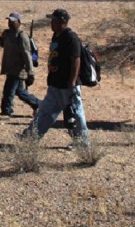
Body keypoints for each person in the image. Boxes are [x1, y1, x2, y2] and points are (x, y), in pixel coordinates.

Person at [22, 8, 89, 145]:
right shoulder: (56, 36)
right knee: (45, 111)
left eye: (54, 20)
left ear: (62, 21)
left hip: (67, 84)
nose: (51, 23)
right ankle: (31, 137)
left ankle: (82, 143)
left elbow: (76, 59)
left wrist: (72, 82)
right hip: (55, 83)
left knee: (75, 113)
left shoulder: (71, 37)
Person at [0, 12, 39, 118]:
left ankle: (6, 111)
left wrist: (30, 72)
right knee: (20, 92)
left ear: (19, 22)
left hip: (18, 69)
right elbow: (3, 45)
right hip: (10, 67)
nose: (10, 23)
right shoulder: (8, 34)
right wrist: (1, 38)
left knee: (8, 90)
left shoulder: (22, 36)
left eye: (13, 21)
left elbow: (27, 55)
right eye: (9, 21)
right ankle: (39, 104)